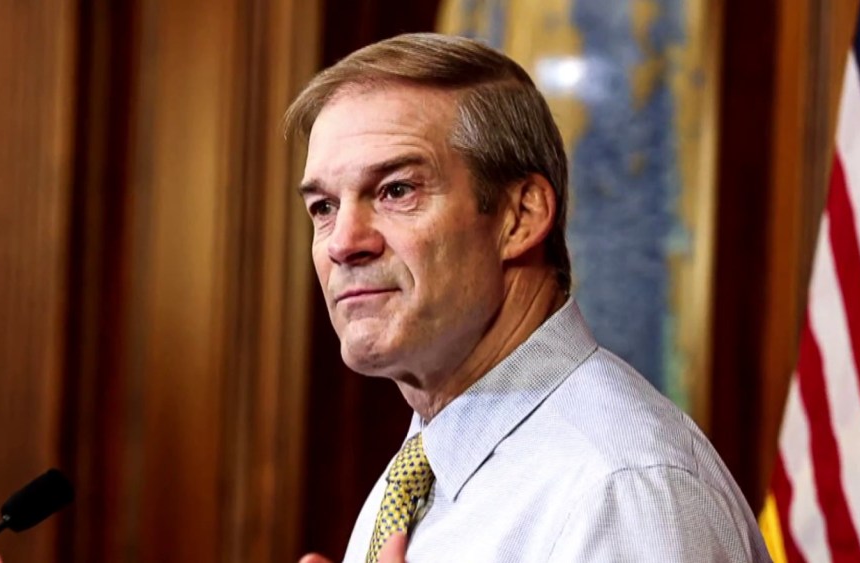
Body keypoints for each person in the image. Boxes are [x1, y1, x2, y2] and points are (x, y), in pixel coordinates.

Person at [286, 32, 771, 563]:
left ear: (521, 216)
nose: (343, 243)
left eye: (396, 190)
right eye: (324, 207)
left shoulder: (618, 490)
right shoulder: (416, 477)